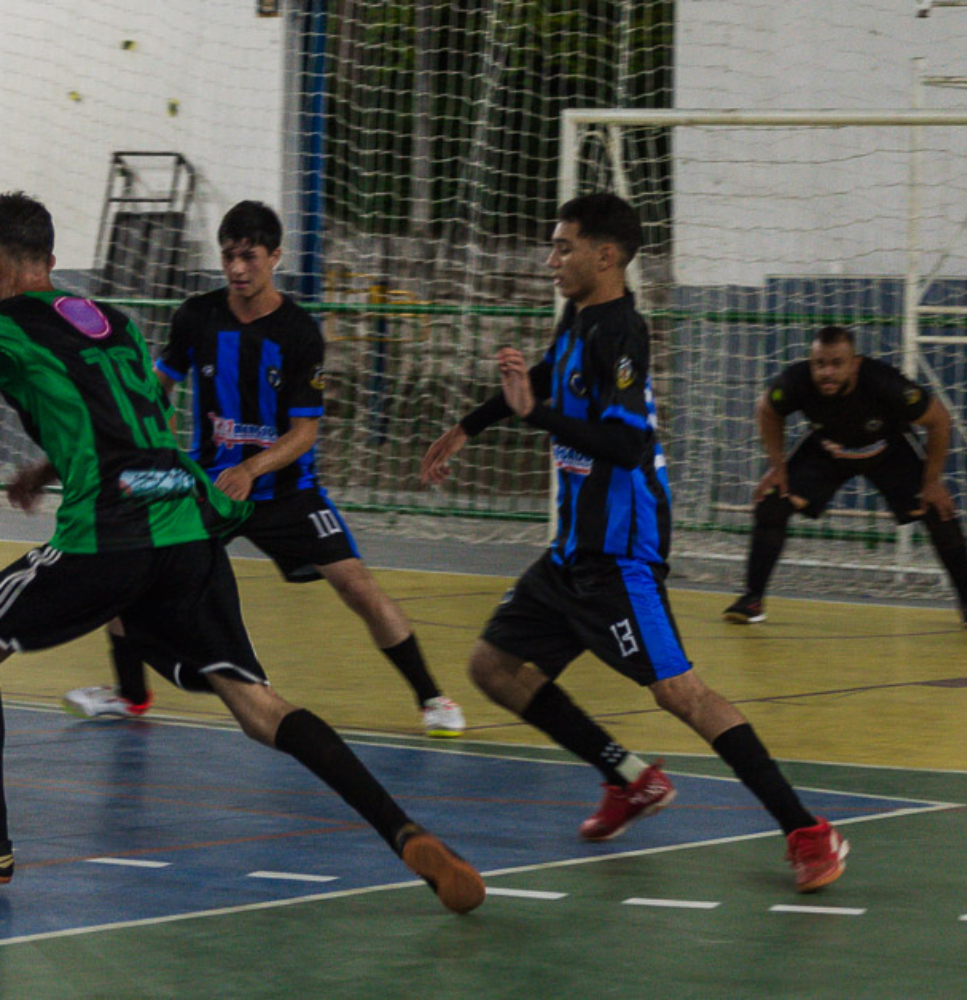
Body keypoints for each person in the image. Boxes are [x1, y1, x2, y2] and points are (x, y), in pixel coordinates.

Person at [0, 191, 484, 913]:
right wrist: (53, 464)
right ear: (52, 259)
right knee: (259, 706)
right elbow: (134, 421)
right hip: (188, 518)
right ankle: (402, 828)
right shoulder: (114, 320)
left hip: (115, 527)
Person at [421, 192, 848, 893]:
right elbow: (543, 386)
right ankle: (630, 779)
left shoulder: (622, 331)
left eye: (563, 247)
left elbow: (626, 443)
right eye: (553, 245)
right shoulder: (578, 318)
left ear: (606, 255)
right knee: (491, 666)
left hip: (623, 554)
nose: (551, 259)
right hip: (574, 551)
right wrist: (469, 426)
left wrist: (539, 419)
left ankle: (808, 830)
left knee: (682, 693)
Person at [62, 200, 465, 738]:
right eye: (228, 256)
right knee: (124, 553)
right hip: (203, 482)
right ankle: (131, 695)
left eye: (248, 257)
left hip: (284, 488)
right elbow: (154, 394)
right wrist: (113, 449)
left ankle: (432, 697)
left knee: (358, 585)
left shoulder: (299, 332)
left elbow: (305, 433)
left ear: (276, 256)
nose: (236, 269)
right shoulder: (197, 317)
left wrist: (252, 469)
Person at [722, 325, 967, 629]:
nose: (827, 373)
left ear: (855, 363)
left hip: (887, 450)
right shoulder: (795, 382)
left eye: (837, 364)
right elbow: (767, 410)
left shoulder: (884, 383)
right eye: (819, 364)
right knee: (772, 503)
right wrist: (777, 467)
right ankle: (752, 600)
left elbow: (939, 419)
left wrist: (932, 482)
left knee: (939, 512)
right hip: (827, 450)